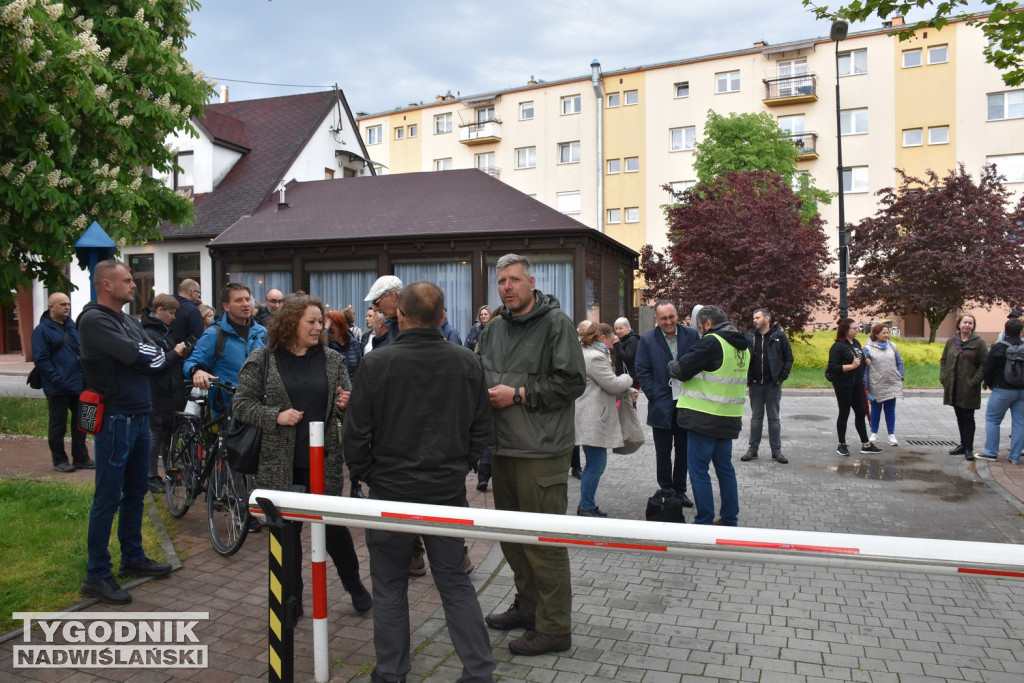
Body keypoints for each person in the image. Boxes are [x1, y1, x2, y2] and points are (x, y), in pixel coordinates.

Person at [344, 282, 496, 683]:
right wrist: (458, 468)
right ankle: (479, 671)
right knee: (453, 580)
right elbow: (482, 429)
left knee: (390, 583)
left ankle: (391, 672)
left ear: (401, 316)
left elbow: (355, 433)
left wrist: (367, 474)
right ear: (443, 317)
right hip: (444, 491)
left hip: (391, 490)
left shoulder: (378, 364)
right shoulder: (467, 362)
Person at [233, 293, 372, 614]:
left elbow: (344, 407)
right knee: (287, 535)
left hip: (322, 463)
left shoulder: (332, 360)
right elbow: (241, 404)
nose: (317, 327)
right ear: (291, 322)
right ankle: (290, 597)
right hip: (280, 465)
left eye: (319, 322)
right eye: (310, 321)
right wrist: (275, 416)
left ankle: (354, 585)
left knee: (334, 529)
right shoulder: (262, 359)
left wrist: (346, 405)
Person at [477, 253, 586, 657]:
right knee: (513, 541)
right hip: (503, 449)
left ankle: (555, 628)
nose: (507, 287)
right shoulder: (494, 329)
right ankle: (528, 608)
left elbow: (572, 382)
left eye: (514, 280)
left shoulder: (556, 324)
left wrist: (519, 395)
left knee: (543, 544)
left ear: (531, 282)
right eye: (502, 281)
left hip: (542, 452)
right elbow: (478, 374)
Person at [78, 260, 173, 604]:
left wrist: (145, 356)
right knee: (107, 498)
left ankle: (132, 557)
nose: (134, 285)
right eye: (128, 280)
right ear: (106, 285)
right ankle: (97, 574)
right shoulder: (94, 320)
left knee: (135, 493)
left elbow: (157, 356)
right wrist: (144, 356)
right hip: (117, 419)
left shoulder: (126, 320)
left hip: (139, 416)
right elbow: (143, 355)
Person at [668, 305, 749, 526]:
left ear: (708, 324)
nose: (699, 331)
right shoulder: (742, 346)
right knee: (725, 470)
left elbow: (681, 369)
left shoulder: (712, 342)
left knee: (698, 471)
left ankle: (704, 520)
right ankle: (730, 519)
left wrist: (671, 364)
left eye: (700, 326)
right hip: (729, 418)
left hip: (703, 418)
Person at [634, 301, 698, 507]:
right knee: (663, 452)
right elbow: (642, 370)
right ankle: (666, 489)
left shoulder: (691, 336)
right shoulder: (647, 340)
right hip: (661, 404)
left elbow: (699, 364)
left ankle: (680, 490)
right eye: (664, 318)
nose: (668, 321)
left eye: (671, 317)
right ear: (656, 319)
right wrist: (653, 394)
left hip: (686, 404)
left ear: (677, 315)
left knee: (683, 450)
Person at [574, 321, 636, 518]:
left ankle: (587, 505)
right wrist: (628, 379)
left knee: (594, 463)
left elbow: (602, 384)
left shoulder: (589, 354)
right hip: (593, 418)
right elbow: (612, 384)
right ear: (602, 338)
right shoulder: (595, 357)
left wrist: (627, 388)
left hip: (590, 415)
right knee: (596, 464)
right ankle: (586, 506)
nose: (613, 342)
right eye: (612, 339)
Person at [31, 292, 93, 473]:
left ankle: (81, 457)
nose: (67, 307)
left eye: (68, 304)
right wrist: (56, 379)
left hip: (78, 384)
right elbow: (41, 359)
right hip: (57, 387)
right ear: (51, 307)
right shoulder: (42, 331)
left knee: (81, 423)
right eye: (62, 304)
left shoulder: (72, 326)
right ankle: (59, 460)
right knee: (58, 424)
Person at [183, 282, 267, 412]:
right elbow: (192, 362)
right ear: (226, 306)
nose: (246, 304)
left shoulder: (262, 333)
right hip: (227, 410)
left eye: (247, 299)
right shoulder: (214, 334)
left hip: (260, 406)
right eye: (239, 300)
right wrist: (197, 372)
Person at [140, 295, 189, 493]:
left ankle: (169, 471)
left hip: (169, 393)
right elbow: (154, 362)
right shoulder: (150, 333)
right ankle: (150, 475)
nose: (174, 317)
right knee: (156, 434)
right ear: (159, 310)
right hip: (157, 393)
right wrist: (175, 353)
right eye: (171, 312)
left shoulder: (163, 331)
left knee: (168, 433)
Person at [741, 308, 793, 464]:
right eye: (754, 318)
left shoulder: (779, 336)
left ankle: (776, 451)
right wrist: (749, 379)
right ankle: (752, 450)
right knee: (756, 418)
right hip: (756, 385)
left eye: (757, 317)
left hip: (773, 385)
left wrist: (781, 377)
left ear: (767, 319)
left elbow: (789, 358)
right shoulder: (749, 337)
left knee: (774, 419)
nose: (754, 320)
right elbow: (743, 358)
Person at [827, 319, 881, 456]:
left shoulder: (856, 343)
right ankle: (841, 444)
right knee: (844, 413)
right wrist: (851, 366)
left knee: (861, 412)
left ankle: (866, 444)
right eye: (854, 328)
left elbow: (859, 360)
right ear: (845, 330)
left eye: (857, 328)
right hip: (843, 385)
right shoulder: (838, 347)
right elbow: (833, 368)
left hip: (857, 384)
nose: (857, 330)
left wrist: (865, 362)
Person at [941, 313, 988, 461]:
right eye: (965, 322)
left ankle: (969, 447)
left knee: (968, 417)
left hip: (969, 387)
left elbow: (984, 364)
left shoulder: (978, 342)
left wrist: (975, 381)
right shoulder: (951, 341)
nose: (967, 325)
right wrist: (944, 378)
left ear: (973, 326)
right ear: (959, 324)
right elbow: (943, 360)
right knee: (959, 417)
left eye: (970, 323)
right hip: (953, 386)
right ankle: (962, 444)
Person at [981, 317, 1024, 463]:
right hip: (1022, 391)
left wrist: (990, 384)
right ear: (1021, 332)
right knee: (1020, 422)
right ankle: (1015, 456)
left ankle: (992, 453)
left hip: (1002, 389)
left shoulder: (998, 347)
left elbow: (987, 369)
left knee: (993, 420)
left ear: (1005, 331)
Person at [864, 322, 904, 447]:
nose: (887, 335)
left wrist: (900, 375)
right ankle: (874, 433)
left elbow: (899, 362)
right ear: (876, 334)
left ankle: (891, 435)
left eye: (887, 332)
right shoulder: (868, 349)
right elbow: (865, 368)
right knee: (875, 409)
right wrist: (865, 385)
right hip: (876, 384)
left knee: (890, 410)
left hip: (891, 383)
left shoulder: (892, 346)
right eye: (884, 333)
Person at [364, 275, 403, 349]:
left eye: (376, 302)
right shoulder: (391, 324)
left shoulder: (415, 321)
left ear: (393, 296)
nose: (375, 309)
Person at [327, 309, 363, 380]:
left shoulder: (354, 344)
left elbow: (360, 368)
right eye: (328, 330)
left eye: (332, 330)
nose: (329, 334)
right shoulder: (328, 345)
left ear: (340, 327)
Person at [169, 278, 204, 345]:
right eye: (198, 293)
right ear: (192, 292)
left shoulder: (168, 305)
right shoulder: (192, 310)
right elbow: (198, 337)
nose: (198, 296)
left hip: (168, 350)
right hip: (185, 352)